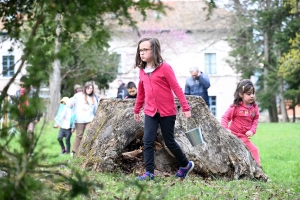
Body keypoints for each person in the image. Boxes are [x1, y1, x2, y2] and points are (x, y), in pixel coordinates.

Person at [133, 37, 194, 181]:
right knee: (147, 141)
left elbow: (176, 88)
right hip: (150, 111)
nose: (142, 53)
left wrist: (185, 107)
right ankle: (149, 173)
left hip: (167, 111)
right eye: (140, 50)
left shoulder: (165, 68)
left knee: (169, 141)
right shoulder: (142, 71)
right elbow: (141, 92)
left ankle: (185, 165)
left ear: (154, 50)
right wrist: (137, 109)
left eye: (145, 50)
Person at [221, 79, 260, 165]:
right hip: (233, 136)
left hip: (244, 138)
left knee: (254, 150)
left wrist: (252, 130)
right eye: (249, 94)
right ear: (241, 94)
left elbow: (255, 119)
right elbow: (224, 118)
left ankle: (258, 170)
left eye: (253, 93)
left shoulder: (254, 107)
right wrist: (226, 129)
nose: (252, 96)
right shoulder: (235, 107)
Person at [69, 82, 98, 156]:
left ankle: (88, 151)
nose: (90, 90)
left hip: (90, 119)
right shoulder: (78, 95)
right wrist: (71, 103)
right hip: (79, 119)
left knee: (90, 134)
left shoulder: (94, 98)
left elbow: (95, 110)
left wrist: (95, 118)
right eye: (88, 88)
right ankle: (74, 152)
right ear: (85, 88)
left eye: (91, 88)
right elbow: (71, 101)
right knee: (79, 135)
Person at [15, 75, 41, 153]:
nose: (22, 87)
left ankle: (30, 150)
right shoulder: (17, 93)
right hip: (21, 117)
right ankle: (25, 150)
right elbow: (14, 105)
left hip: (31, 117)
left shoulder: (33, 93)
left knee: (30, 132)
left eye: (24, 85)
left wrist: (37, 117)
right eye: (20, 85)